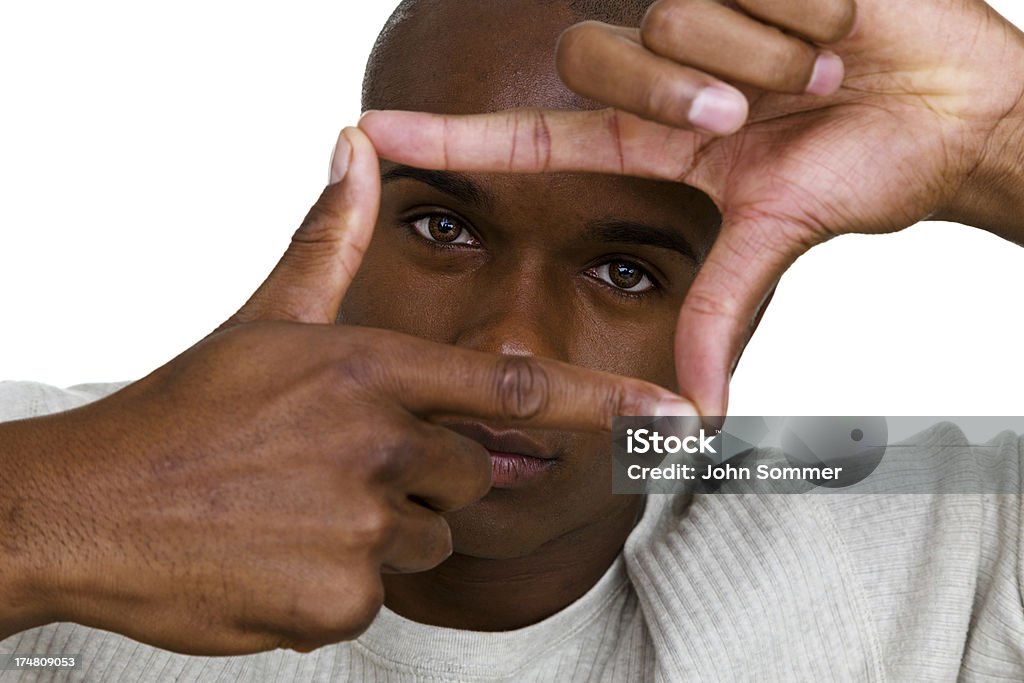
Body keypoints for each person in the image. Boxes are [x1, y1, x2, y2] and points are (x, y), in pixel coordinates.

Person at [0, 0, 1022, 681]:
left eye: (626, 270)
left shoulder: (922, 537)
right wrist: (45, 522)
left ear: (740, 299)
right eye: (444, 228)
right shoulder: (51, 455)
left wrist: (997, 138)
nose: (510, 348)